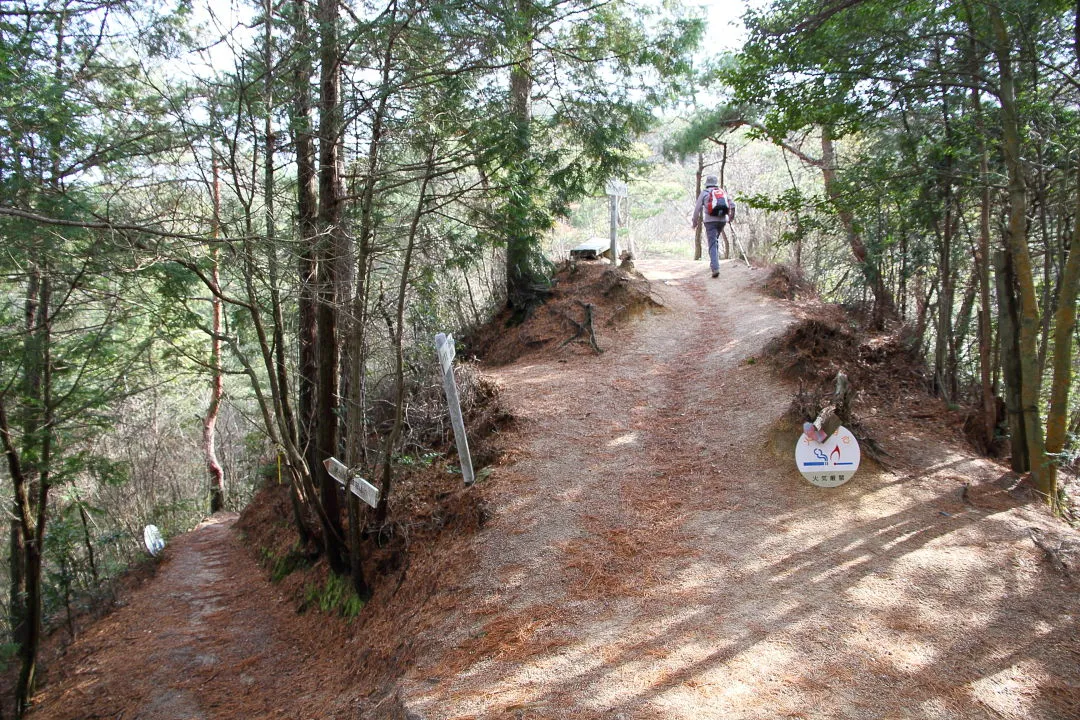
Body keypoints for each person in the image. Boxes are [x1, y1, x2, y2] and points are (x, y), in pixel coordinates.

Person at [691, 175, 736, 278]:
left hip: (710, 221)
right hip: (722, 221)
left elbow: (697, 209)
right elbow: (733, 205)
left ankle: (715, 268)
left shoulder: (704, 193)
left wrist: (694, 223)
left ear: (707, 183)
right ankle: (714, 263)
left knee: (712, 243)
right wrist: (730, 218)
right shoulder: (722, 192)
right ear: (716, 183)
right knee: (714, 241)